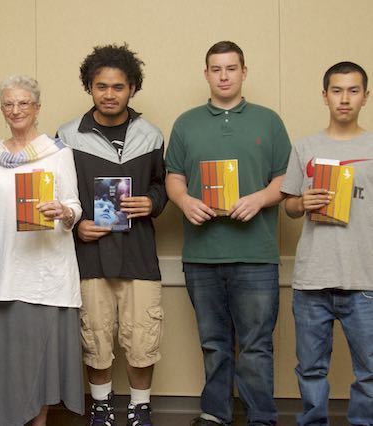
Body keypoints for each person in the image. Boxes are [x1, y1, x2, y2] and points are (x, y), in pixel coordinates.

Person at [165, 41, 291, 425]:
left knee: (255, 346)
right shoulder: (186, 123)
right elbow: (174, 177)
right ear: (206, 74)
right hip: (202, 257)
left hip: (256, 255)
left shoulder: (269, 121)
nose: (223, 76)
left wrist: (260, 199)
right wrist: (185, 202)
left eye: (231, 68)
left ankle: (261, 417)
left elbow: (285, 178)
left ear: (243, 72)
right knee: (214, 344)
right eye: (216, 69)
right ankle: (215, 413)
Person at [58, 43, 167, 426]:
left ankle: (140, 409)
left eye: (117, 87)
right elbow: (61, 195)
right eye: (101, 86)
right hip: (91, 258)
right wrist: (77, 224)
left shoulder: (150, 135)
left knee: (142, 340)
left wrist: (152, 203)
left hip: (139, 256)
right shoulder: (67, 136)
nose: (109, 94)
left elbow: (162, 185)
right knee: (96, 338)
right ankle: (101, 409)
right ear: (89, 87)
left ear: (132, 88)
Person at [0, 75, 84, 426]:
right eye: (9, 103)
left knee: (40, 359)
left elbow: (74, 206)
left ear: (37, 108)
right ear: (2, 109)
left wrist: (64, 212)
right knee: (8, 360)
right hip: (3, 271)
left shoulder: (57, 153)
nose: (16, 109)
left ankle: (38, 423)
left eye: (24, 103)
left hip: (45, 273)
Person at [281, 62, 373, 425]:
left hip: (364, 282)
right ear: (325, 96)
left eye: (353, 90)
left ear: (365, 96)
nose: (345, 98)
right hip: (312, 281)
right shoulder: (305, 147)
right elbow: (287, 206)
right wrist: (301, 203)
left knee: (368, 373)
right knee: (311, 371)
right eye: (337, 90)